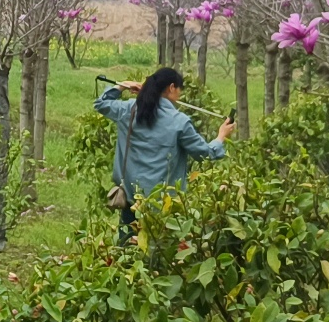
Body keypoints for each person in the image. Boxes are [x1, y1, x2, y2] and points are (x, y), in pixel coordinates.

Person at [94, 66, 233, 239]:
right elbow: (205, 153)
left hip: (130, 198)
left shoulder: (129, 110)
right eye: (179, 89)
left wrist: (122, 86)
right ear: (172, 87)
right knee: (160, 253)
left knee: (127, 251)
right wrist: (221, 137)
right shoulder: (179, 121)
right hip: (164, 204)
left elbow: (101, 104)